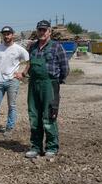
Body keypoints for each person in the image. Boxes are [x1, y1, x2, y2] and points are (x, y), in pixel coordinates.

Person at [21, 20, 69, 160]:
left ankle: (51, 147)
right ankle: (35, 147)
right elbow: (30, 64)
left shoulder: (56, 47)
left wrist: (56, 82)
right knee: (34, 116)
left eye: (44, 30)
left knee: (49, 116)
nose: (41, 32)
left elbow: (65, 68)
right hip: (33, 84)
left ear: (49, 32)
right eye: (39, 30)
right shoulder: (33, 47)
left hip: (50, 85)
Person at [0, 26, 29, 136]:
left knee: (12, 106)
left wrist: (23, 73)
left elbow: (29, 61)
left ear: (12, 35)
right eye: (4, 34)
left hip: (12, 81)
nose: (6, 36)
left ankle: (9, 128)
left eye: (8, 34)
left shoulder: (19, 49)